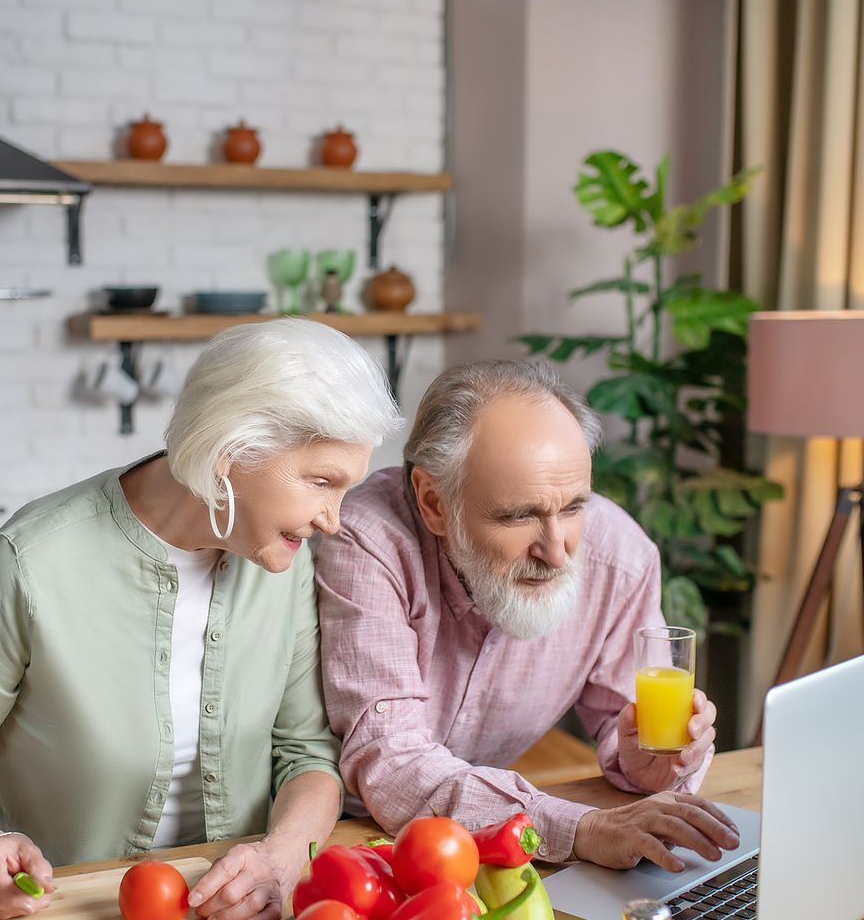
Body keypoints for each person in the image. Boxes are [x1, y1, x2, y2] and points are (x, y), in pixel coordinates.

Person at [0, 318, 402, 920]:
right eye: (321, 483)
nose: (333, 520)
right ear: (232, 453)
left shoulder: (283, 560)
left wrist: (281, 859)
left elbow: (306, 753)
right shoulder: (31, 566)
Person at [315, 359, 739, 872]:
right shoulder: (368, 540)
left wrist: (647, 763)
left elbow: (626, 726)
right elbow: (392, 761)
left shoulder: (620, 557)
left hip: (483, 847)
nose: (557, 553)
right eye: (519, 515)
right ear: (433, 503)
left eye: (573, 507)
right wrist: (578, 828)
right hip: (345, 838)